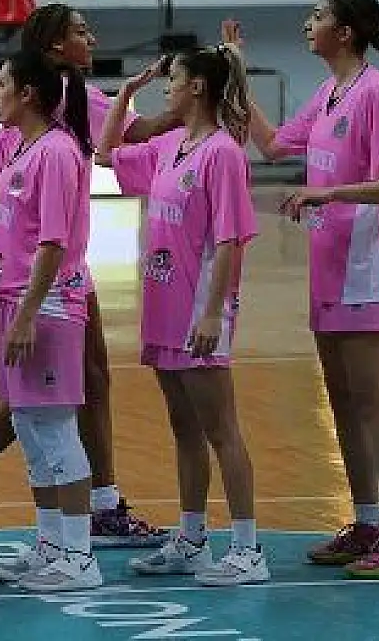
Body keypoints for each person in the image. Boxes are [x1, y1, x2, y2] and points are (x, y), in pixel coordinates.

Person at [0, 4, 175, 558]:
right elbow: (140, 131)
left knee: (77, 384)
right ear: (54, 46)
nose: (91, 37)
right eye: (80, 30)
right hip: (48, 273)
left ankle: (80, 510)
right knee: (46, 394)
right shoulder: (59, 108)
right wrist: (202, 101)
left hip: (51, 267)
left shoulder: (60, 108)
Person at [232, 0, 379, 578]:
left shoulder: (376, 93)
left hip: (364, 272)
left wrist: (330, 193)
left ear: (344, 32)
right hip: (328, 268)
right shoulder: (328, 94)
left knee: (377, 401)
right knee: (342, 400)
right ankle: (367, 521)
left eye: (318, 15)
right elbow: (272, 146)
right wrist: (238, 75)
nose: (307, 22)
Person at [96, 46, 267, 586]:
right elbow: (105, 155)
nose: (165, 86)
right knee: (184, 428)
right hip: (164, 306)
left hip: (199, 311)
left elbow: (231, 240)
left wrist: (213, 314)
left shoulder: (223, 153)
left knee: (221, 429)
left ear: (197, 87)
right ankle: (192, 539)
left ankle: (248, 549)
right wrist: (124, 96)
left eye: (172, 78)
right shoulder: (169, 144)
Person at [0, 28, 101, 591]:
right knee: (29, 425)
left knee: (56, 428)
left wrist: (26, 315)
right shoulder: (19, 146)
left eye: (1, 85)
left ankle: (79, 557)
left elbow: (53, 243)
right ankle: (51, 546)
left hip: (47, 307)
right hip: (13, 299)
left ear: (29, 93)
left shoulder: (58, 153)